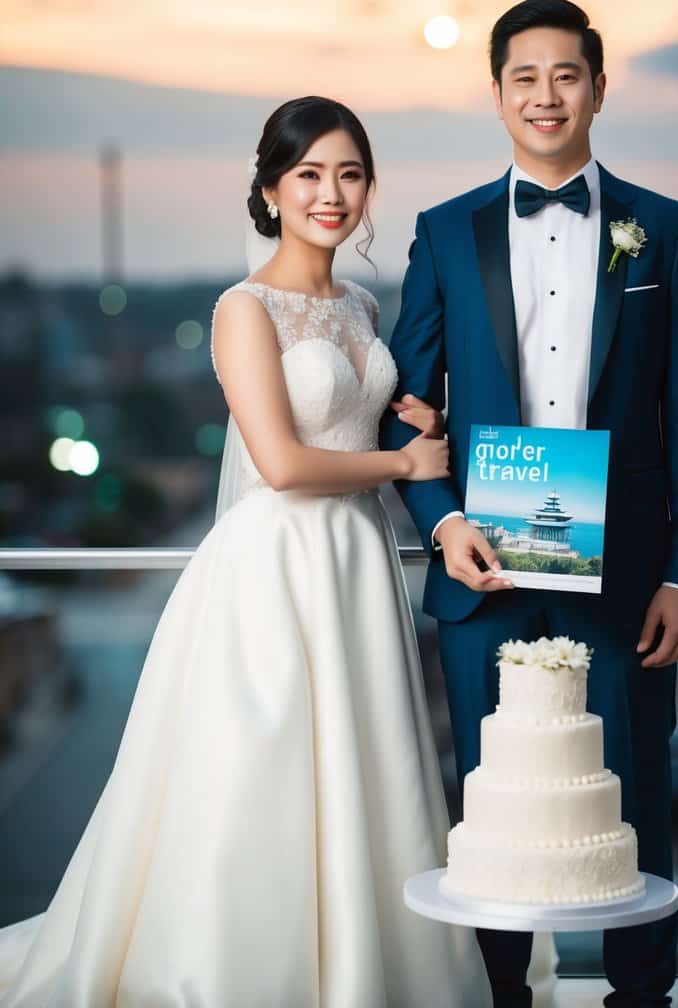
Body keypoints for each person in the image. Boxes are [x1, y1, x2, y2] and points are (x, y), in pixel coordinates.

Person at [0, 96, 488, 1007]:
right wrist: (402, 459)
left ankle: (364, 964)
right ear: (269, 189)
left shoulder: (361, 303)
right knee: (267, 774)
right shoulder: (241, 308)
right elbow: (282, 460)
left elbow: (349, 414)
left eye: (348, 173)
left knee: (366, 767)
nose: (330, 193)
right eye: (307, 174)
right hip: (275, 565)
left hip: (355, 561)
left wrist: (417, 420)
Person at [380, 0, 678, 1008]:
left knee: (635, 800)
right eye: (523, 76)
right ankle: (500, 999)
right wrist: (441, 521)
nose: (545, 94)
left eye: (565, 74)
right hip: (480, 569)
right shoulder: (444, 232)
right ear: (496, 94)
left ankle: (642, 998)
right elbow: (407, 407)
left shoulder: (661, 231)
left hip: (626, 574)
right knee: (491, 814)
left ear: (598, 88)